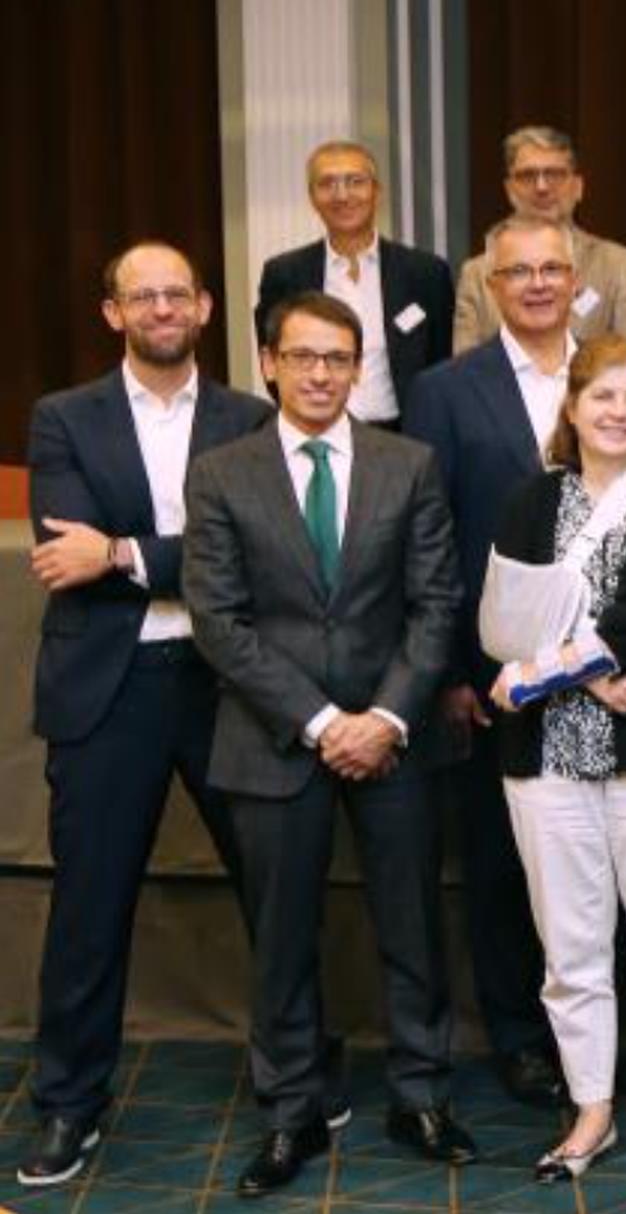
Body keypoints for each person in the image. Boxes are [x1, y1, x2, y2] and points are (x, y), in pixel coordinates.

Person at [183, 291, 469, 1197]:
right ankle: (290, 1111)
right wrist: (318, 723)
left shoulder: (409, 463)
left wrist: (382, 720)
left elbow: (436, 604)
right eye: (301, 357)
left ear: (360, 368)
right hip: (273, 737)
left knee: (414, 924)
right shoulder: (221, 473)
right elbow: (219, 623)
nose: (319, 374)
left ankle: (421, 1093)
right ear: (267, 362)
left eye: (337, 359)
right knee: (280, 937)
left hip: (397, 736)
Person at [17, 244, 271, 1188]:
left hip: (226, 680)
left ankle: (297, 1074)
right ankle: (69, 1104)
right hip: (106, 688)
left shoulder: (250, 416)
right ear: (113, 312)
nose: (162, 308)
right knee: (90, 906)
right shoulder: (64, 419)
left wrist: (121, 552)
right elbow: (60, 553)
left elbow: (244, 555)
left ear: (204, 307)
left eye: (177, 293)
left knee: (273, 888)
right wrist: (172, 555)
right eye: (142, 296)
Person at [479, 335, 626, 1181]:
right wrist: (589, 683)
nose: (619, 412)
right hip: (547, 764)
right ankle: (590, 1111)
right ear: (572, 406)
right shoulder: (527, 502)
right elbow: (501, 631)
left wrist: (545, 674)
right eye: (603, 395)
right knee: (571, 950)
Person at [408, 217, 579, 1107]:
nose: (539, 284)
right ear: (490, 285)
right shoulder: (443, 390)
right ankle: (519, 1037)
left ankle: (599, 1035)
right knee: (502, 865)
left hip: (607, 674)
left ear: (577, 278)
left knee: (602, 860)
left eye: (554, 268)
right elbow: (428, 535)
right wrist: (446, 675)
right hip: (494, 681)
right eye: (520, 271)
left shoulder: (615, 374)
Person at [255, 141, 455, 426]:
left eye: (355, 182)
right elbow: (275, 363)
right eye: (327, 184)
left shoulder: (426, 273)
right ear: (312, 197)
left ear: (377, 192)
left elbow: (441, 362)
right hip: (318, 433)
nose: (342, 195)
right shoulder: (285, 274)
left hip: (406, 437)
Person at [453, 125, 626, 349]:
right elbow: (463, 370)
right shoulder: (476, 273)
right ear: (509, 189)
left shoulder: (618, 265)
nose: (542, 186)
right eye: (527, 176)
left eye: (554, 174)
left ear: (578, 186)